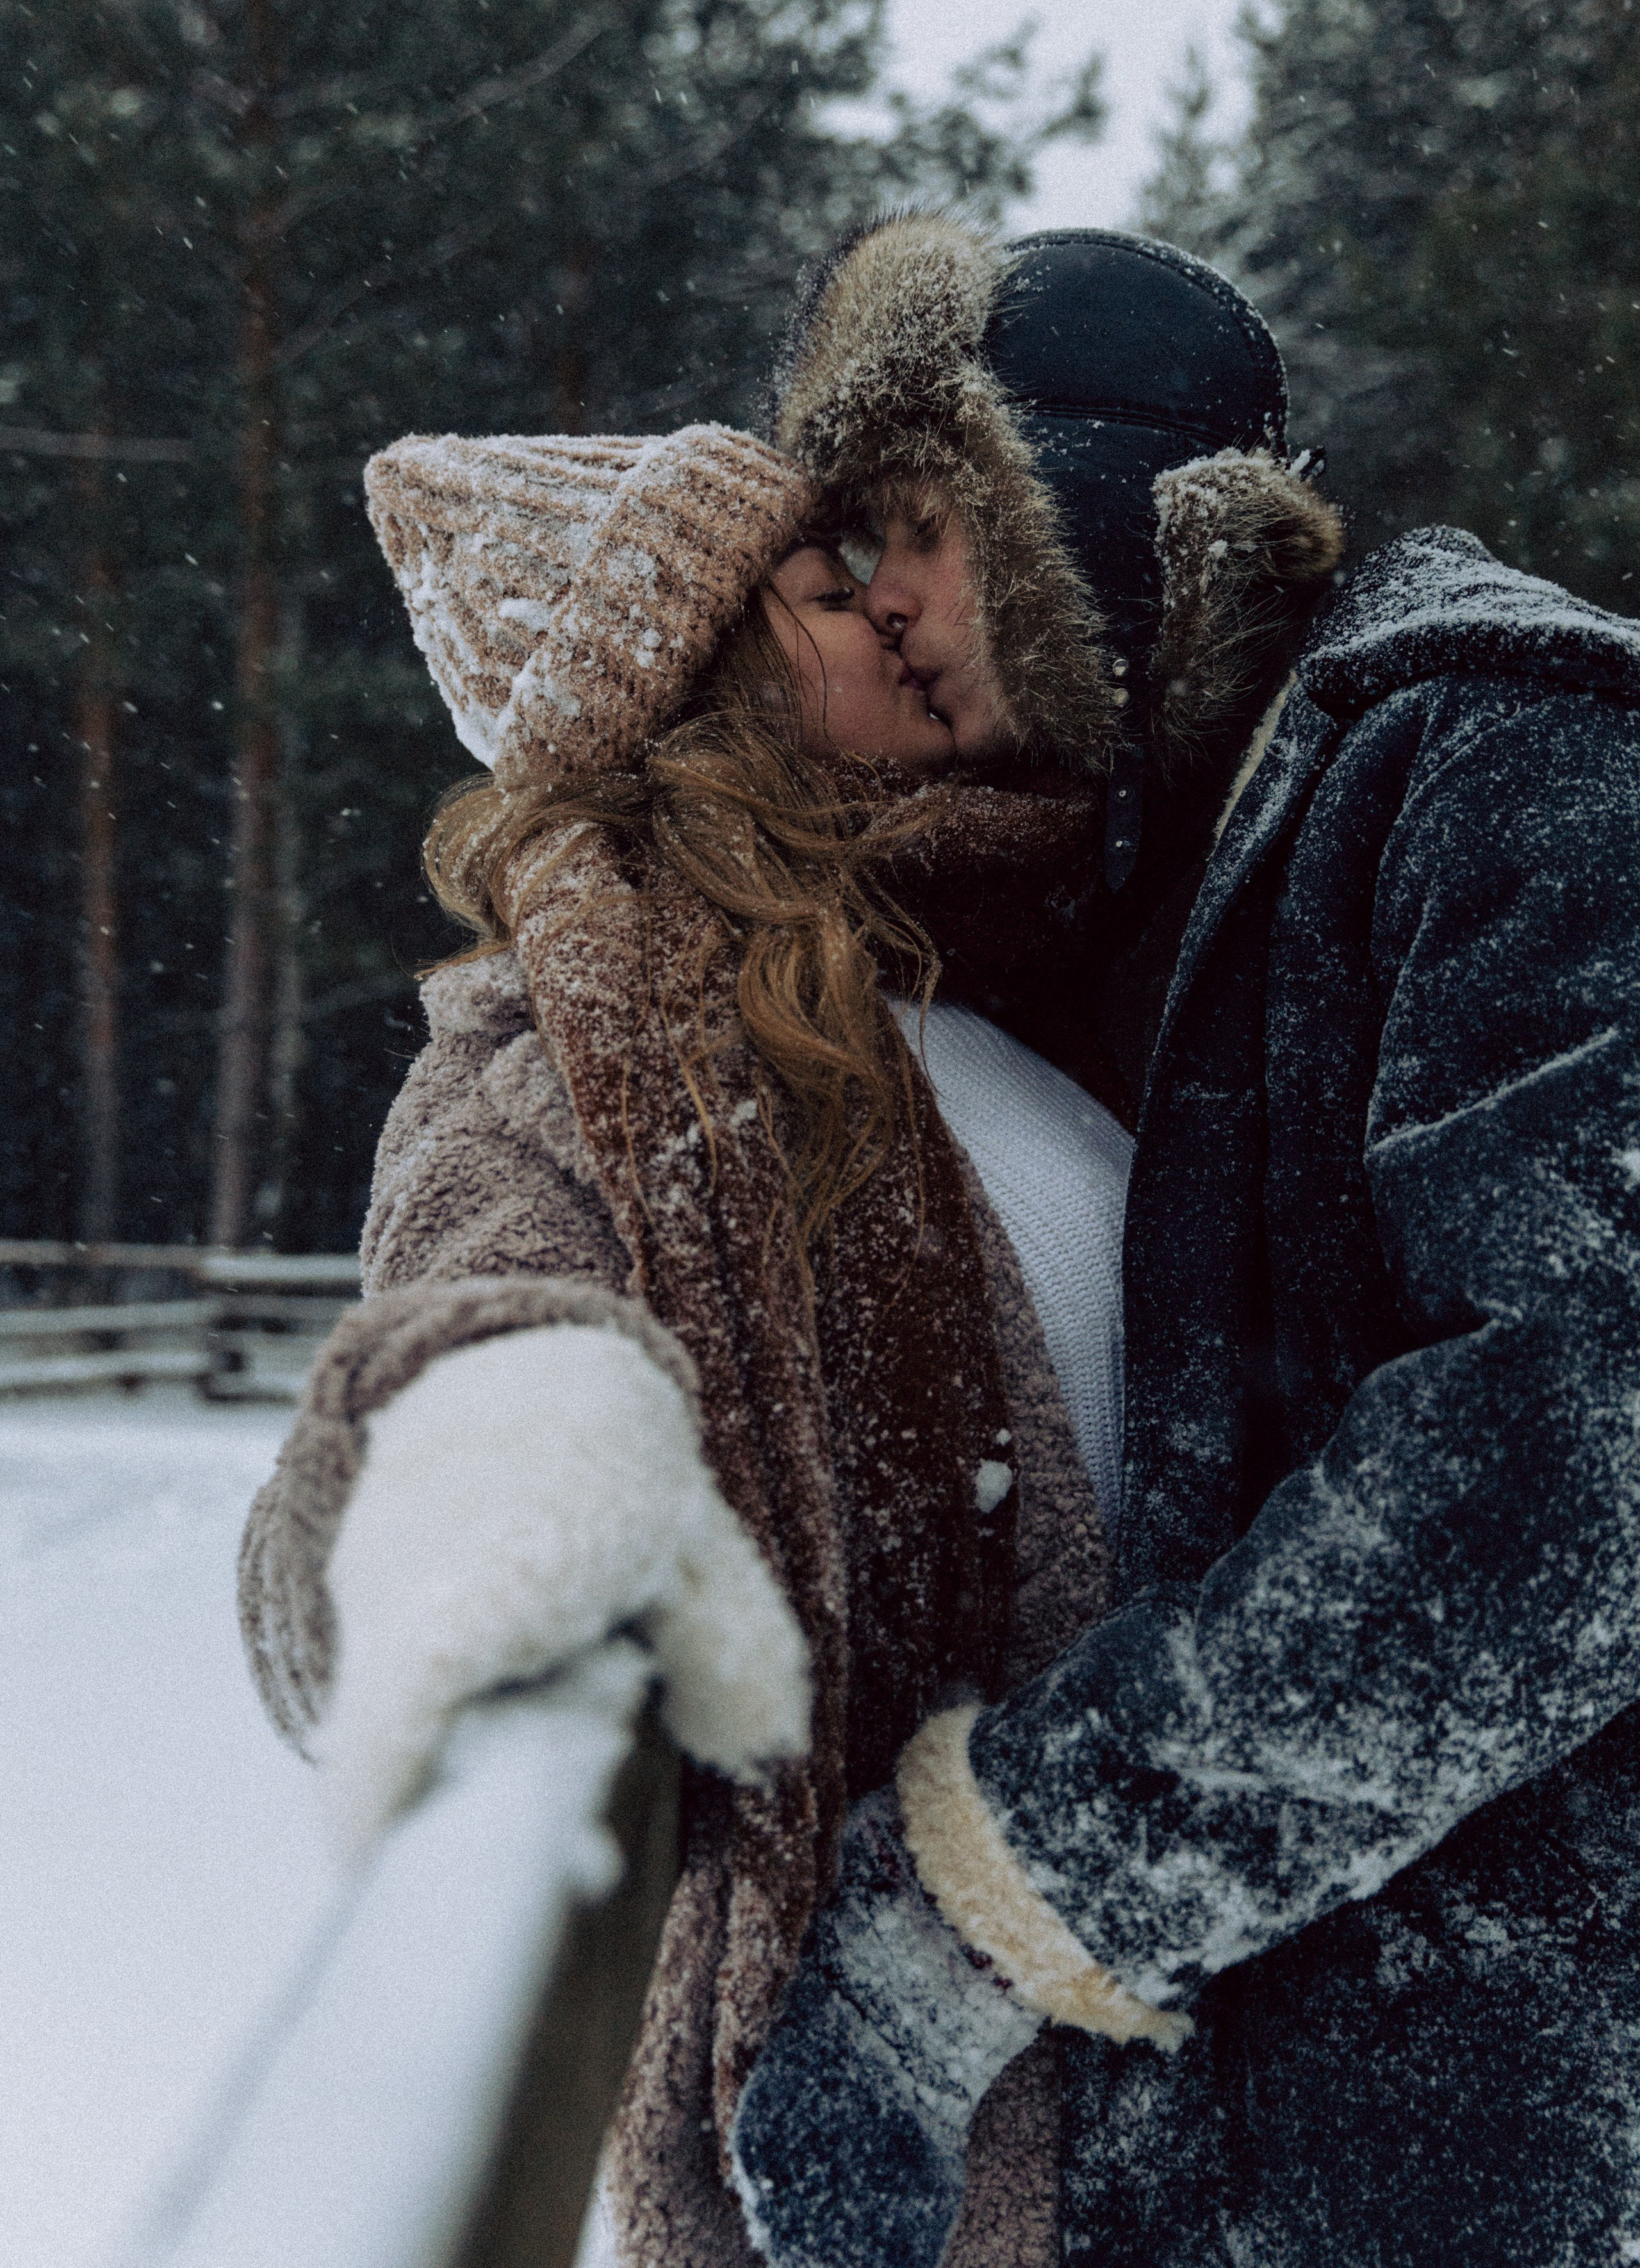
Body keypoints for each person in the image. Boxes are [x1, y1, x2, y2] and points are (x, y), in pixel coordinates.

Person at [727, 213, 1640, 2268]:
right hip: (1187, 2148)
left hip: (1454, 2125)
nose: (874, 594)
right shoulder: (1092, 891)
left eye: (918, 521)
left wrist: (994, 1908)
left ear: (1104, 517)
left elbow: (1573, 1453)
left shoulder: (1511, 754)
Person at [237, 418, 1147, 2267]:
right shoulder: (555, 1078)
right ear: (697, 680)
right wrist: (501, 1440)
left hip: (1160, 2046)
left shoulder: (1006, 979)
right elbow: (360, 1512)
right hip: (901, 2133)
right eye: (829, 590)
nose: (899, 609)